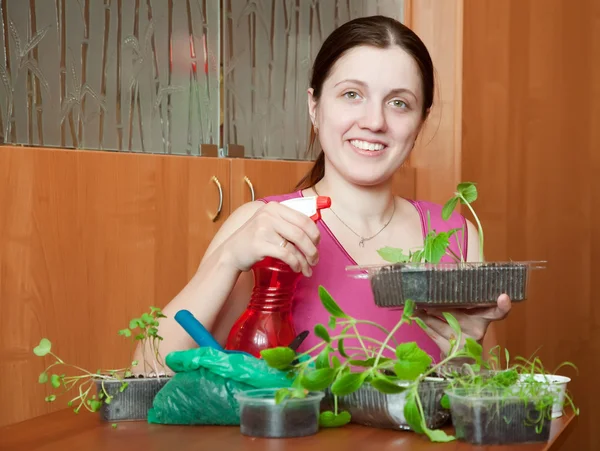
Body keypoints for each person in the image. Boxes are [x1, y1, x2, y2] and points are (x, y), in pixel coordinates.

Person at [135, 15, 511, 367]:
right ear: (314, 107)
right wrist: (228, 260)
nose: (374, 121)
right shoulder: (264, 227)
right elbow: (145, 369)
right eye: (352, 95)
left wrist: (466, 359)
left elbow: (486, 409)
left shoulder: (457, 238)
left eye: (399, 103)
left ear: (420, 122)